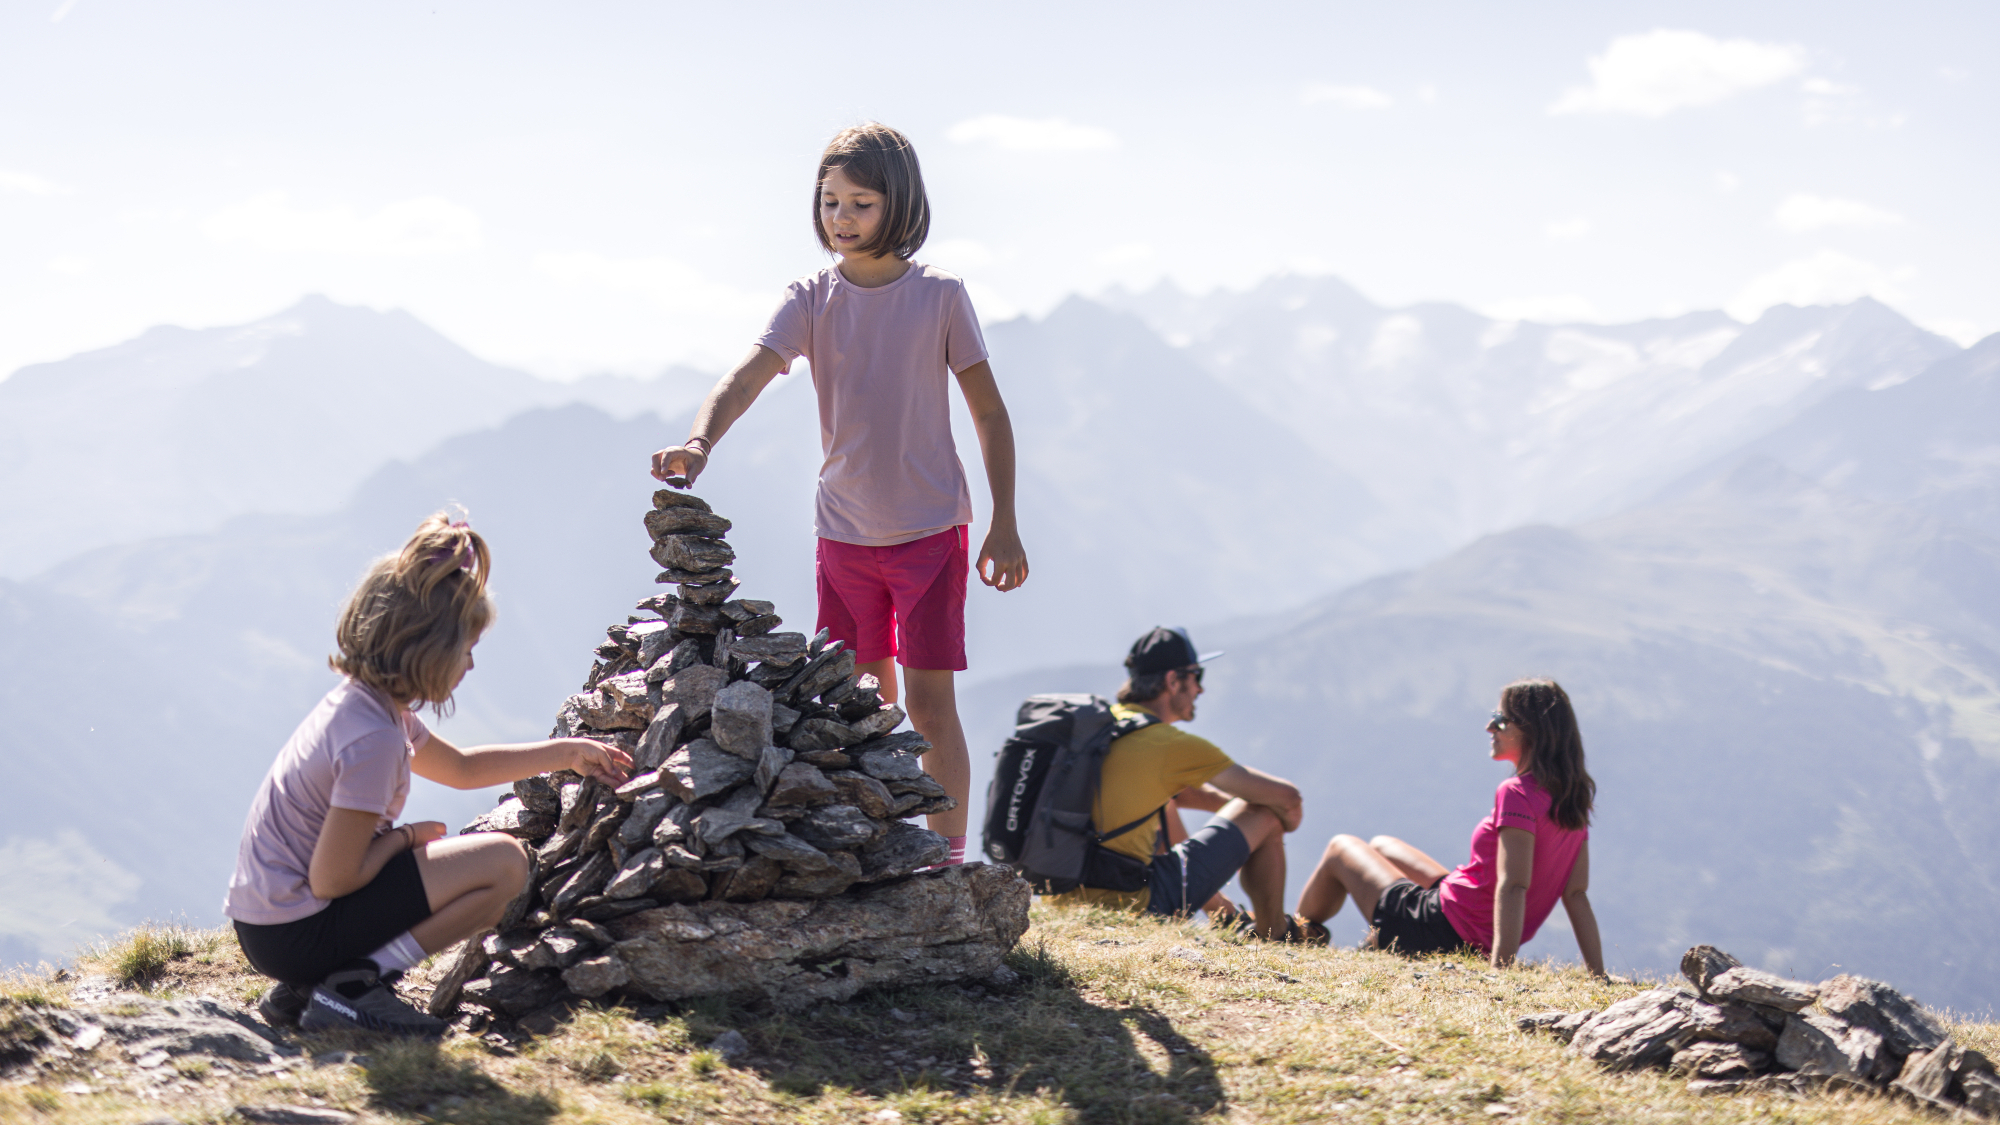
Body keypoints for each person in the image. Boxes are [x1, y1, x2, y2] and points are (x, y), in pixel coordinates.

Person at [649, 123, 1028, 867]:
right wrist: (699, 442)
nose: (841, 217)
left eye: (860, 201)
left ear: (901, 204)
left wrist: (1005, 521)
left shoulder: (941, 298)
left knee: (928, 702)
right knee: (857, 701)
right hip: (844, 535)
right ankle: (881, 840)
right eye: (829, 202)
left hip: (929, 534)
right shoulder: (811, 300)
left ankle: (946, 857)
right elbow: (748, 374)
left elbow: (988, 410)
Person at [223, 515, 632, 1036]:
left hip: (273, 926)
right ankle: (354, 986)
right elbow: (334, 879)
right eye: (466, 650)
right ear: (430, 653)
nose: (470, 666)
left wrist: (566, 752)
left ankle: (309, 989)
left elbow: (461, 768)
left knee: (481, 860)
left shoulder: (367, 707)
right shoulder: (373, 739)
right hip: (294, 931)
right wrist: (406, 838)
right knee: (505, 865)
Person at [1295, 678, 1606, 974]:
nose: (1489, 727)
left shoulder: (1516, 793)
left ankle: (1294, 931)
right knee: (1380, 846)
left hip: (1439, 930)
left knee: (1340, 847)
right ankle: (1372, 940)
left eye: (1500, 719)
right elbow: (1576, 895)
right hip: (1465, 914)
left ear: (1530, 730)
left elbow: (1514, 885)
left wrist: (1500, 972)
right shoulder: (1571, 799)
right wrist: (1598, 973)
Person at [1043, 627, 1315, 941]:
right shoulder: (1169, 745)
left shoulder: (1104, 727)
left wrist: (1229, 812)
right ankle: (1275, 934)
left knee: (1164, 803)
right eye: (1196, 676)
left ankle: (1225, 915)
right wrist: (1267, 823)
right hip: (1132, 904)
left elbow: (1179, 793)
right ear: (1173, 681)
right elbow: (1288, 801)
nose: (1200, 689)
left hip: (1061, 898)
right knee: (1266, 815)